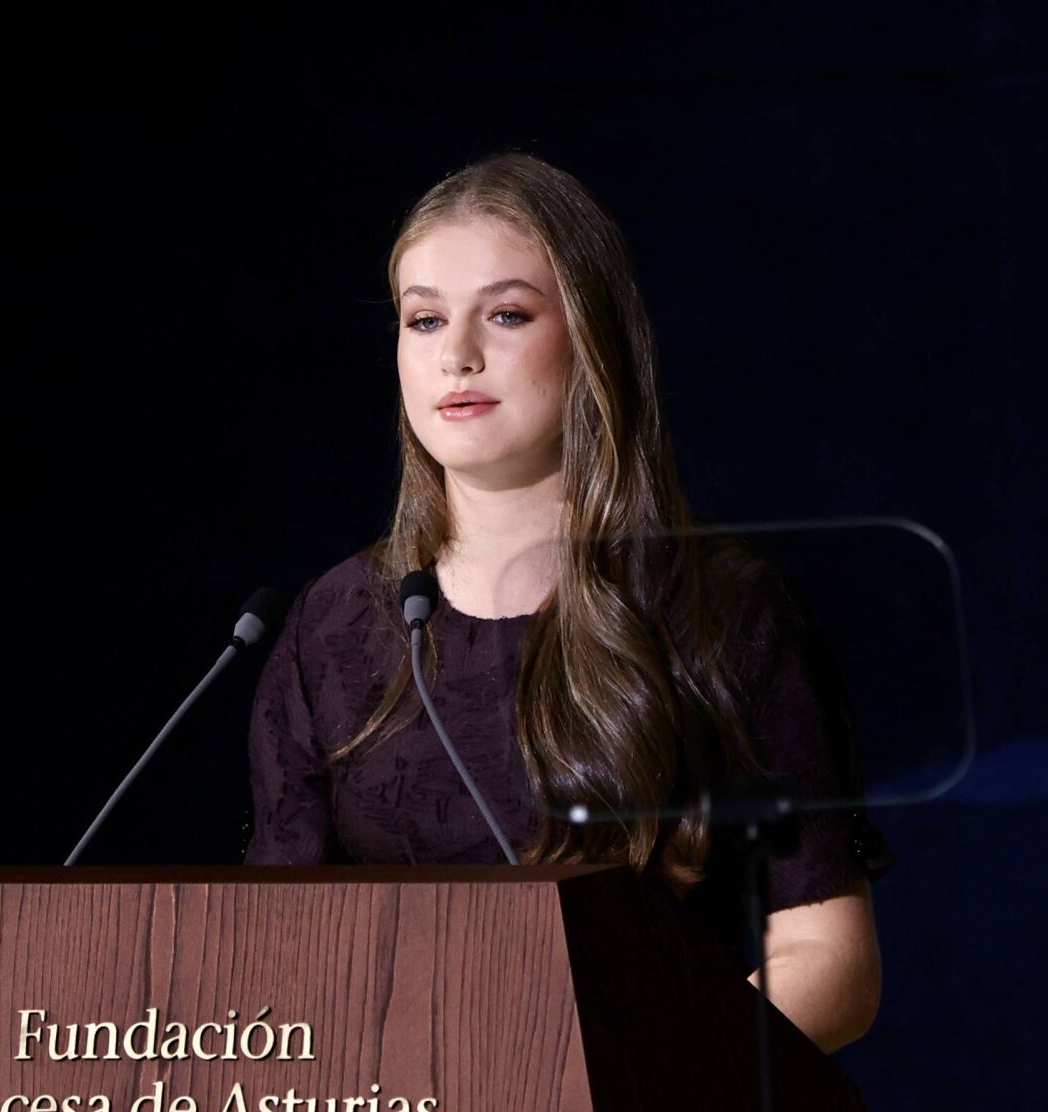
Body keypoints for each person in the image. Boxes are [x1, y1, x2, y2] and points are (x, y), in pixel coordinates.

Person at [243, 151, 896, 1058]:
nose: (457, 354)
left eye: (506, 314)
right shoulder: (333, 625)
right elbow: (274, 951)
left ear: (591, 338)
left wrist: (641, 1076)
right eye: (424, 319)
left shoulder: (720, 607)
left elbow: (829, 956)